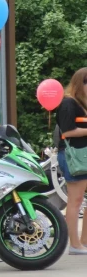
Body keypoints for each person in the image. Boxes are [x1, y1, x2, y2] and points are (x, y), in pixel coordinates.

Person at [55, 67, 87, 255]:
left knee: (81, 200)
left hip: (82, 155)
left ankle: (83, 241)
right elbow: (67, 132)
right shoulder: (68, 103)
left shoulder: (81, 103)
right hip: (73, 156)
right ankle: (74, 245)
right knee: (75, 200)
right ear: (80, 83)